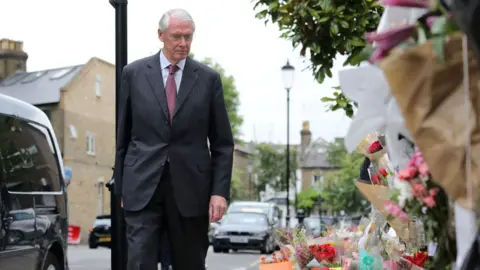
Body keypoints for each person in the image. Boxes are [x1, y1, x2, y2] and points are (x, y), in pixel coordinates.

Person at [114, 8, 234, 270]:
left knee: (189, 263)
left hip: (191, 189)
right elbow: (123, 136)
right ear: (161, 35)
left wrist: (219, 192)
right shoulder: (133, 74)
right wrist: (122, 186)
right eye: (177, 36)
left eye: (188, 37)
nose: (183, 44)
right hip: (143, 186)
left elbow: (223, 142)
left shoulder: (208, 79)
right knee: (139, 262)